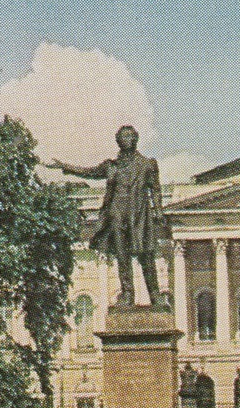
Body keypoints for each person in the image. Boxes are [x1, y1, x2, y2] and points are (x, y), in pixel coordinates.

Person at [53, 126, 168, 308]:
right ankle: (128, 295)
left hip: (139, 215)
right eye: (123, 137)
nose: (127, 139)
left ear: (136, 139)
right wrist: (66, 167)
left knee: (146, 256)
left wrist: (158, 210)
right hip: (117, 215)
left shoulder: (147, 164)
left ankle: (155, 296)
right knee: (123, 257)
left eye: (130, 136)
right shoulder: (111, 166)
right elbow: (88, 172)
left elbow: (155, 189)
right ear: (118, 141)